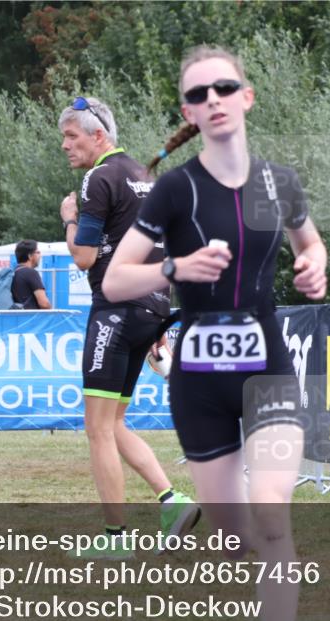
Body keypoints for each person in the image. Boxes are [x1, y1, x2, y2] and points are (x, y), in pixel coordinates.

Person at [103, 45, 327, 621]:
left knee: (273, 517)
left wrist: (314, 266)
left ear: (246, 97)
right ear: (189, 112)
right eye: (199, 95)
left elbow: (311, 244)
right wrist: (173, 268)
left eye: (223, 89)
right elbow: (115, 281)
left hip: (267, 374)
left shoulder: (275, 182)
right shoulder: (175, 191)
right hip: (200, 383)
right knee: (235, 540)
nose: (213, 101)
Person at [57, 95, 198, 559]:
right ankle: (171, 501)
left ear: (99, 136)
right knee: (114, 421)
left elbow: (83, 257)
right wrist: (158, 316)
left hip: (116, 308)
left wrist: (70, 218)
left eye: (71, 136)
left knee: (96, 429)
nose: (65, 145)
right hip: (151, 309)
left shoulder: (99, 178)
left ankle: (116, 539)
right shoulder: (144, 175)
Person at [10, 240, 52, 309]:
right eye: (38, 252)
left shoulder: (14, 272)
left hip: (17, 317)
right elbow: (44, 304)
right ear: (30, 256)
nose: (40, 255)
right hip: (31, 317)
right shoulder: (31, 273)